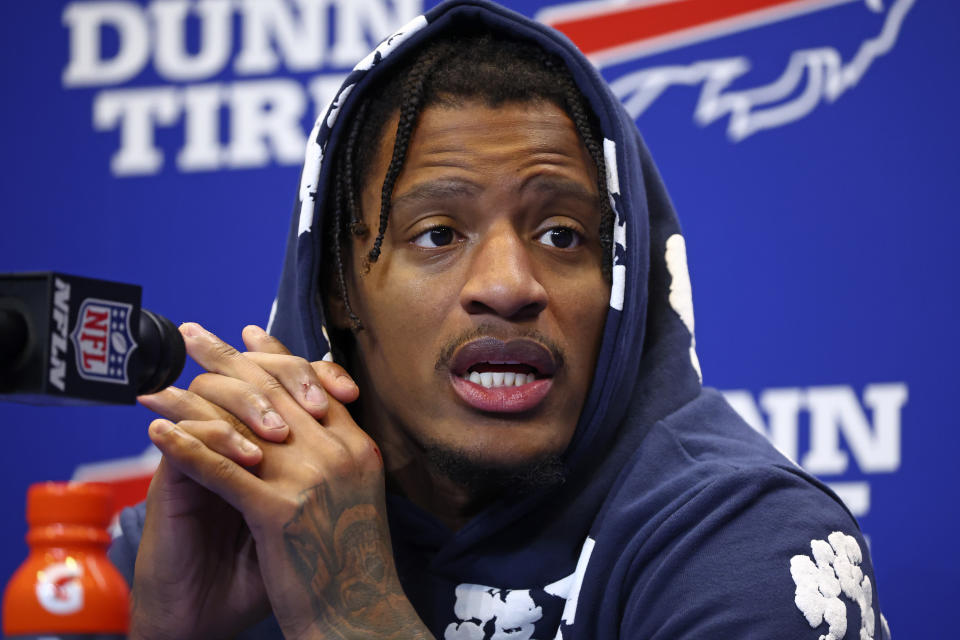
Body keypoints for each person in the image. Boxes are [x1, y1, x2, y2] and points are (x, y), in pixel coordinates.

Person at [109, 1, 891, 638]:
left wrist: (346, 607)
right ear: (339, 288)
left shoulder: (746, 543)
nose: (510, 285)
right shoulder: (218, 531)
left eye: (561, 235)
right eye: (438, 235)